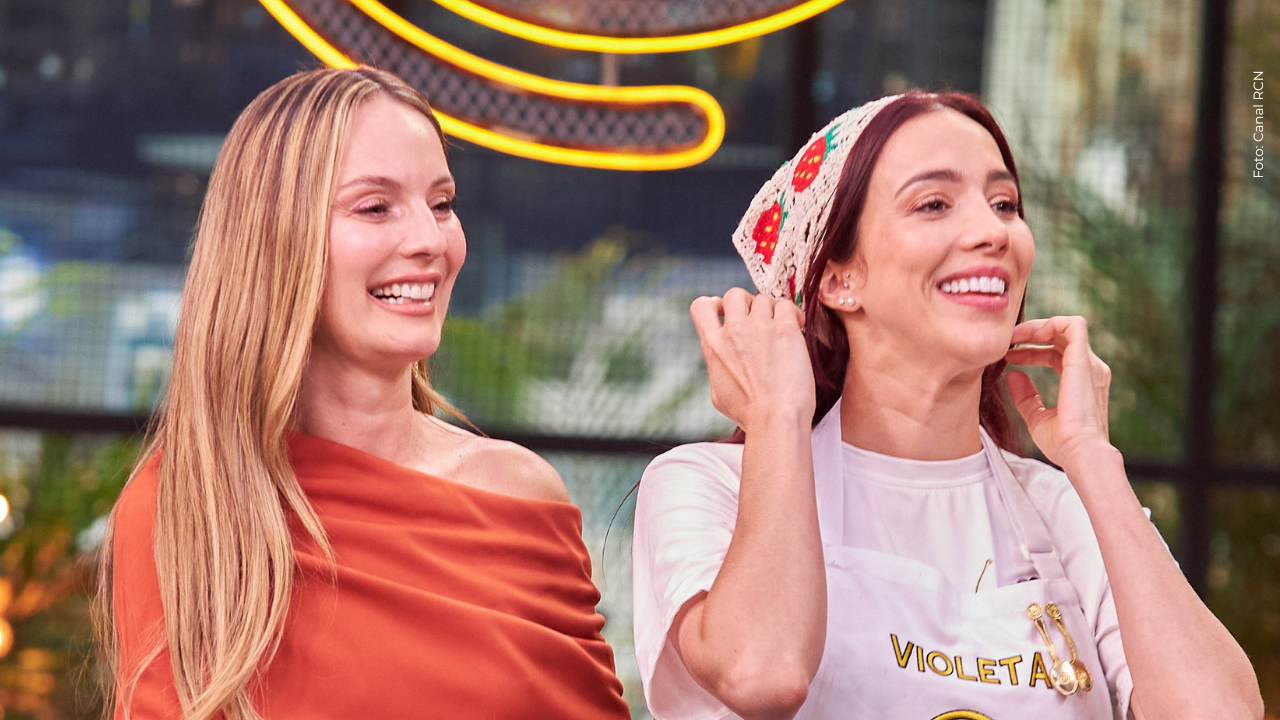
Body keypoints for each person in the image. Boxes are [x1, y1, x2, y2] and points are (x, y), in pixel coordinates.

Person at [631, 90, 1262, 720]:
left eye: (1005, 204)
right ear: (838, 278)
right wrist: (776, 415)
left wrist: (1094, 462)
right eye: (934, 203)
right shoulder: (707, 488)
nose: (993, 232)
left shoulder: (1064, 514)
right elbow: (762, 673)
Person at [97, 67, 631, 720]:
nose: (429, 241)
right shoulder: (184, 505)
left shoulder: (518, 495)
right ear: (272, 240)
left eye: (442, 204)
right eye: (375, 207)